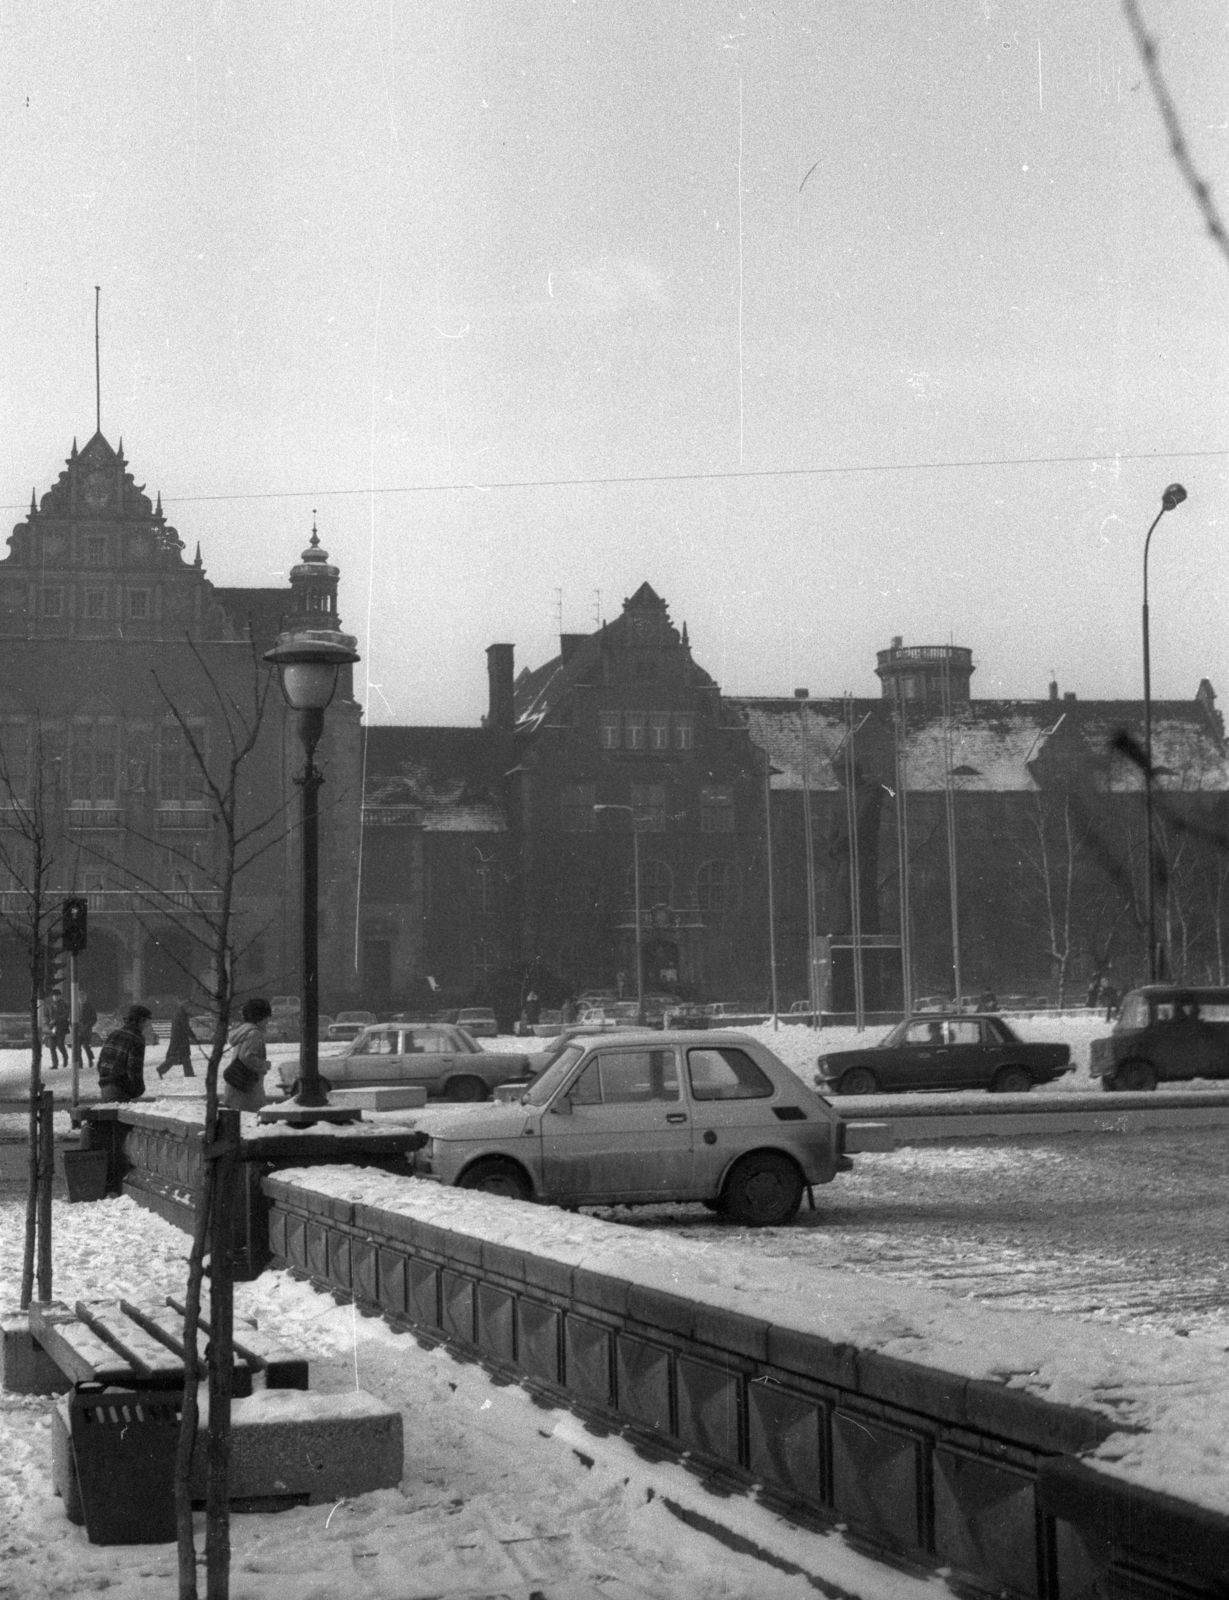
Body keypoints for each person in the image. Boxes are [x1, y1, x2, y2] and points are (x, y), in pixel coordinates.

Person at [221, 997, 272, 1112]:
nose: (267, 1022)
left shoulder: (244, 1031)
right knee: (255, 1118)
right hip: (247, 1088)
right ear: (259, 1018)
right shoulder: (255, 1034)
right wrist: (264, 1064)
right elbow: (246, 1057)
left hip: (238, 1084)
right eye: (266, 1018)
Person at [97, 1005, 153, 1102]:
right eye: (147, 1022)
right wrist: (138, 1089)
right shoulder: (136, 1039)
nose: (147, 1026)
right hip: (120, 1089)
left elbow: (101, 1062)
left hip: (105, 1087)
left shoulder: (114, 1034)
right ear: (141, 1021)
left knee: (108, 1115)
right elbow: (134, 1068)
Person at [157, 1001, 199, 1079]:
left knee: (184, 1057)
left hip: (178, 1039)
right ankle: (161, 1069)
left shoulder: (179, 1013)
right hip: (180, 1039)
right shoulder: (182, 1015)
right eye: (190, 1008)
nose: (191, 1010)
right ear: (186, 1008)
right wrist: (193, 1036)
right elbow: (185, 1027)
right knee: (176, 1057)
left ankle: (189, 1073)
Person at [75, 990, 98, 1070]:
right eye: (80, 998)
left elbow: (94, 1019)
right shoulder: (75, 1007)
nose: (81, 999)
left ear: (86, 998)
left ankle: (90, 1059)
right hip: (77, 1029)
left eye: (83, 997)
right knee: (77, 1047)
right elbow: (71, 1017)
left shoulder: (90, 1007)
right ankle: (80, 1063)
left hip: (87, 1029)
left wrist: (88, 1026)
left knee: (86, 1046)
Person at [50, 991, 70, 1070]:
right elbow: (47, 1015)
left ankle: (65, 1057)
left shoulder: (64, 1004)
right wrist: (50, 1022)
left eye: (57, 996)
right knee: (52, 1046)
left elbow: (65, 1015)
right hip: (52, 1028)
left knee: (60, 1045)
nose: (55, 997)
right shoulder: (51, 1005)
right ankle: (55, 1064)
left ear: (60, 996)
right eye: (54, 996)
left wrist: (56, 1020)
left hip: (61, 1027)